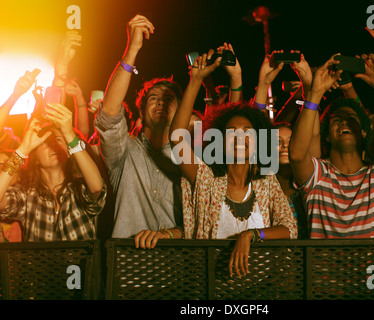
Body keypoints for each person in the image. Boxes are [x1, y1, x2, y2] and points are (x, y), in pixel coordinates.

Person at [159, 50, 297, 279]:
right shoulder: (206, 178)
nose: (239, 138)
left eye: (247, 133)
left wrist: (251, 235)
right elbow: (177, 139)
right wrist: (195, 80)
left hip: (260, 292)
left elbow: (289, 229)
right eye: (231, 133)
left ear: (258, 142)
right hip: (211, 290)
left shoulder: (266, 181)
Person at [289, 53, 374, 238]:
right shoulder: (317, 175)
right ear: (327, 136)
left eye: (352, 119)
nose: (344, 122)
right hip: (326, 267)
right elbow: (297, 155)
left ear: (364, 132)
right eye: (337, 120)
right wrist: (315, 94)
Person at [94, 14, 184, 241]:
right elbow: (109, 117)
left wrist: (170, 234)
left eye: (169, 98)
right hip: (129, 266)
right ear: (141, 111)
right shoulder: (124, 151)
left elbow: (204, 217)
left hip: (180, 264)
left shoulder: (189, 157)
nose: (161, 102)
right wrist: (131, 50)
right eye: (153, 98)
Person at [0, 103, 107, 241]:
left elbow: (96, 188)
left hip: (79, 263)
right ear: (36, 158)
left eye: (58, 140)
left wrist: (69, 135)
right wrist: (23, 150)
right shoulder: (27, 194)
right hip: (42, 263)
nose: (53, 145)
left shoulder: (78, 188)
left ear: (68, 153)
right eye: (45, 142)